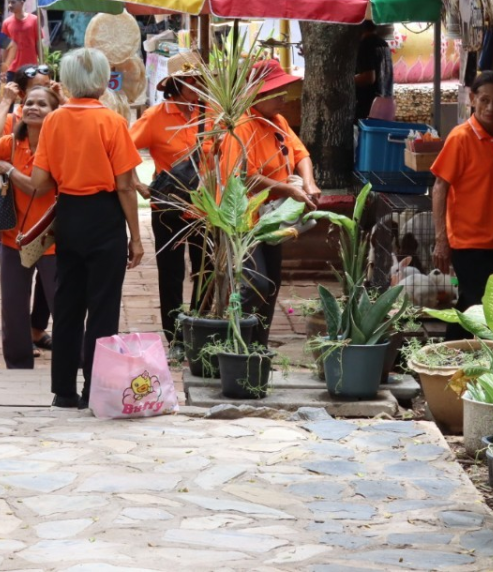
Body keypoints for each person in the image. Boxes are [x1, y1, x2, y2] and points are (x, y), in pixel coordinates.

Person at [30, 48, 144, 409]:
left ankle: (63, 390)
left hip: (69, 213)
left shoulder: (53, 121)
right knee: (103, 307)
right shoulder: (111, 122)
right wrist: (136, 238)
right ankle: (96, 391)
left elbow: (40, 181)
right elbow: (126, 186)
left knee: (67, 304)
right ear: (100, 80)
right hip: (104, 216)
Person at [219, 59, 321, 348]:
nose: (284, 98)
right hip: (244, 220)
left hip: (271, 217)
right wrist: (288, 190)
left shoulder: (277, 120)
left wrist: (309, 183)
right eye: (278, 93)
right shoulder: (241, 126)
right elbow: (244, 179)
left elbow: (301, 153)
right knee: (255, 284)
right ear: (258, 95)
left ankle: (259, 347)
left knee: (272, 283)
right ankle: (238, 346)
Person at [0, 85, 61, 368]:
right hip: (13, 237)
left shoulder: (59, 146)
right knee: (13, 306)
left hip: (52, 238)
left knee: (62, 304)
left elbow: (39, 188)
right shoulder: (8, 143)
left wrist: (9, 170)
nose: (33, 107)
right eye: (29, 102)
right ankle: (18, 364)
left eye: (42, 104)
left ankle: (75, 360)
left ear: (54, 113)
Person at [432, 72, 493, 340]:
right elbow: (439, 187)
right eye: (485, 100)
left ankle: (447, 357)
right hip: (466, 238)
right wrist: (440, 239)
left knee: (471, 303)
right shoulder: (461, 138)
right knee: (480, 302)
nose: (491, 108)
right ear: (472, 99)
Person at [130, 51, 204, 349]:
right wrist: (137, 184)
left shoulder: (212, 113)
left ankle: (201, 327)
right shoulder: (155, 117)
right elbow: (121, 149)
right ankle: (175, 336)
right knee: (171, 274)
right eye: (191, 80)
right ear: (176, 84)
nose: (198, 86)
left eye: (201, 80)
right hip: (168, 207)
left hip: (205, 208)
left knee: (206, 271)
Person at [355, 20, 394, 120]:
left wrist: (346, 80)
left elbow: (369, 78)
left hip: (369, 106)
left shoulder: (365, 44)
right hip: (385, 103)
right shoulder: (383, 43)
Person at [1, 0, 41, 82]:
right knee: (11, 93)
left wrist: (41, 63)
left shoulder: (34, 20)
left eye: (13, 2)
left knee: (30, 93)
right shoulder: (6, 23)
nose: (10, 5)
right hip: (12, 68)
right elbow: (4, 47)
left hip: (31, 66)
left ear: (22, 3)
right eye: (9, 3)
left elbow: (38, 43)